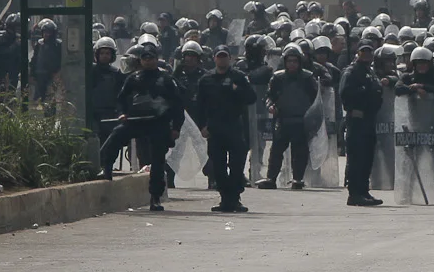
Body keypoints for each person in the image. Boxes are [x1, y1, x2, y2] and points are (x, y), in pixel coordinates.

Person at [97, 43, 185, 211]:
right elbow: (121, 99)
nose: (148, 61)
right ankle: (106, 168)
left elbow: (178, 105)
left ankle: (155, 197)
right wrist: (122, 113)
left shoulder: (166, 79)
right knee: (116, 135)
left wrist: (176, 128)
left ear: (156, 59)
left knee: (158, 160)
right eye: (145, 58)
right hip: (136, 120)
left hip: (158, 122)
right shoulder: (134, 78)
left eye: (151, 58)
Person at [192, 47, 256, 213]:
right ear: (214, 58)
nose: (222, 60)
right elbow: (199, 106)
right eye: (219, 57)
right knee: (218, 167)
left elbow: (252, 97)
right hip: (215, 128)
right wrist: (202, 126)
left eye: (225, 57)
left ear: (230, 59)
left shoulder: (238, 77)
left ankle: (235, 199)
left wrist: (237, 89)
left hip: (234, 126)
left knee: (237, 165)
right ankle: (225, 199)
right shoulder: (206, 79)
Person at [257, 44, 318, 190]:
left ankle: (298, 178)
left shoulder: (308, 77)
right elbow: (269, 96)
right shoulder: (278, 77)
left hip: (302, 120)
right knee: (276, 151)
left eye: (295, 61)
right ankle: (271, 178)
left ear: (300, 62)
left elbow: (316, 99)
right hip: (282, 119)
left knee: (300, 151)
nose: (292, 64)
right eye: (289, 61)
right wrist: (270, 106)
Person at [340, 39, 386, 207]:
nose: (366, 54)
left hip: (369, 119)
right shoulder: (351, 72)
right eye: (363, 51)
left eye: (369, 52)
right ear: (358, 53)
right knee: (356, 157)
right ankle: (354, 194)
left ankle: (364, 191)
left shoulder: (370, 72)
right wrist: (365, 90)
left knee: (367, 157)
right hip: (357, 119)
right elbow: (345, 93)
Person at [87, 36, 126, 157]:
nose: (104, 56)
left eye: (108, 53)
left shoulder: (116, 73)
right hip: (93, 114)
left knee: (110, 145)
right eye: (102, 53)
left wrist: (120, 112)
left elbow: (121, 95)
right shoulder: (90, 71)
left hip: (110, 114)